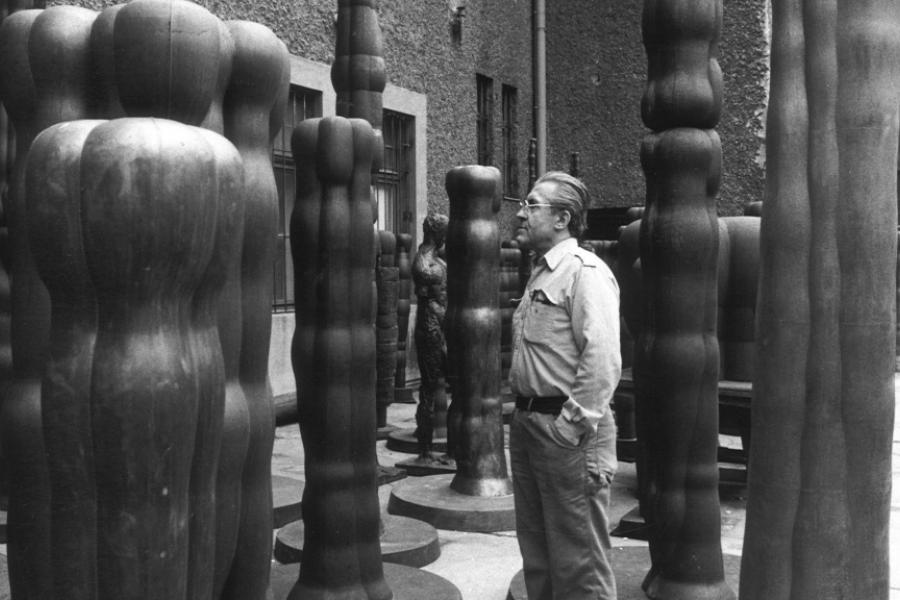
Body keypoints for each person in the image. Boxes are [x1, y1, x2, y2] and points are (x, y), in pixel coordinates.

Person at [508, 171, 621, 600]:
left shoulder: (584, 273)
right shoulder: (542, 272)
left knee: (579, 564)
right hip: (530, 425)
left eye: (531, 204)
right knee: (537, 554)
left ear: (562, 218)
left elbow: (604, 358)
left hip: (566, 431)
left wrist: (571, 426)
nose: (521, 212)